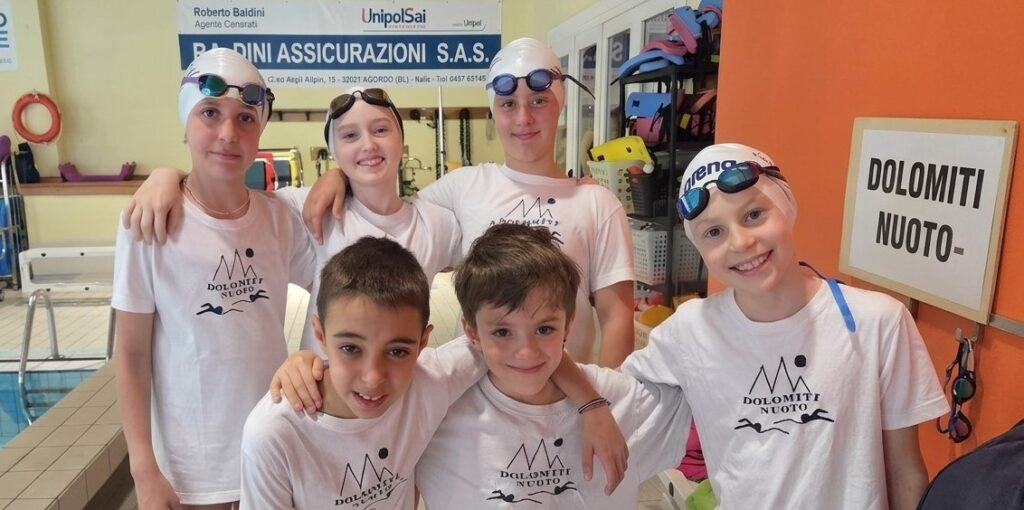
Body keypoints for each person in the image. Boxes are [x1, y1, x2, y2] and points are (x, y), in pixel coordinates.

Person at [619, 143, 949, 509]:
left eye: (754, 214)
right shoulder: (689, 331)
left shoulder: (877, 322)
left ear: (787, 207)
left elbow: (905, 471)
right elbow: (607, 402)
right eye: (713, 232)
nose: (741, 242)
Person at [302, 37, 636, 367]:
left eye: (538, 101)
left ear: (560, 105)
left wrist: (605, 395)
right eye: (508, 104)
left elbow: (617, 318)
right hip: (474, 391)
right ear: (494, 112)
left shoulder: (597, 203)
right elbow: (390, 209)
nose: (523, 118)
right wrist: (339, 175)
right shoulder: (463, 186)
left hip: (563, 389)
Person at [121, 85, 460, 360]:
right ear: (334, 151)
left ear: (401, 139)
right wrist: (166, 176)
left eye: (381, 130)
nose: (368, 144)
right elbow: (224, 196)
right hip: (321, 404)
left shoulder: (436, 223)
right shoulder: (306, 211)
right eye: (350, 136)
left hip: (398, 396)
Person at [113, 48, 315, 509]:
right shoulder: (148, 224)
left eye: (245, 119)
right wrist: (143, 469)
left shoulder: (280, 218)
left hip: (272, 452)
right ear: (185, 123)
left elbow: (333, 286)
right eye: (209, 113)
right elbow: (131, 354)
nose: (228, 133)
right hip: (191, 473)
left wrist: (310, 357)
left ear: (260, 131)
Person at [416, 223, 691, 509]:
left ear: (567, 325)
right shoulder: (437, 410)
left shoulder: (623, 401)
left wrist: (594, 403)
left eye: (544, 329)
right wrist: (591, 403)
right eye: (502, 332)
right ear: (471, 332)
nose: (526, 352)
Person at [238, 237, 482, 509]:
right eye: (350, 348)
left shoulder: (429, 382)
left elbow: (500, 343)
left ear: (422, 342)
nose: (373, 377)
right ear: (320, 334)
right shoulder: (274, 434)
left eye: (397, 351)